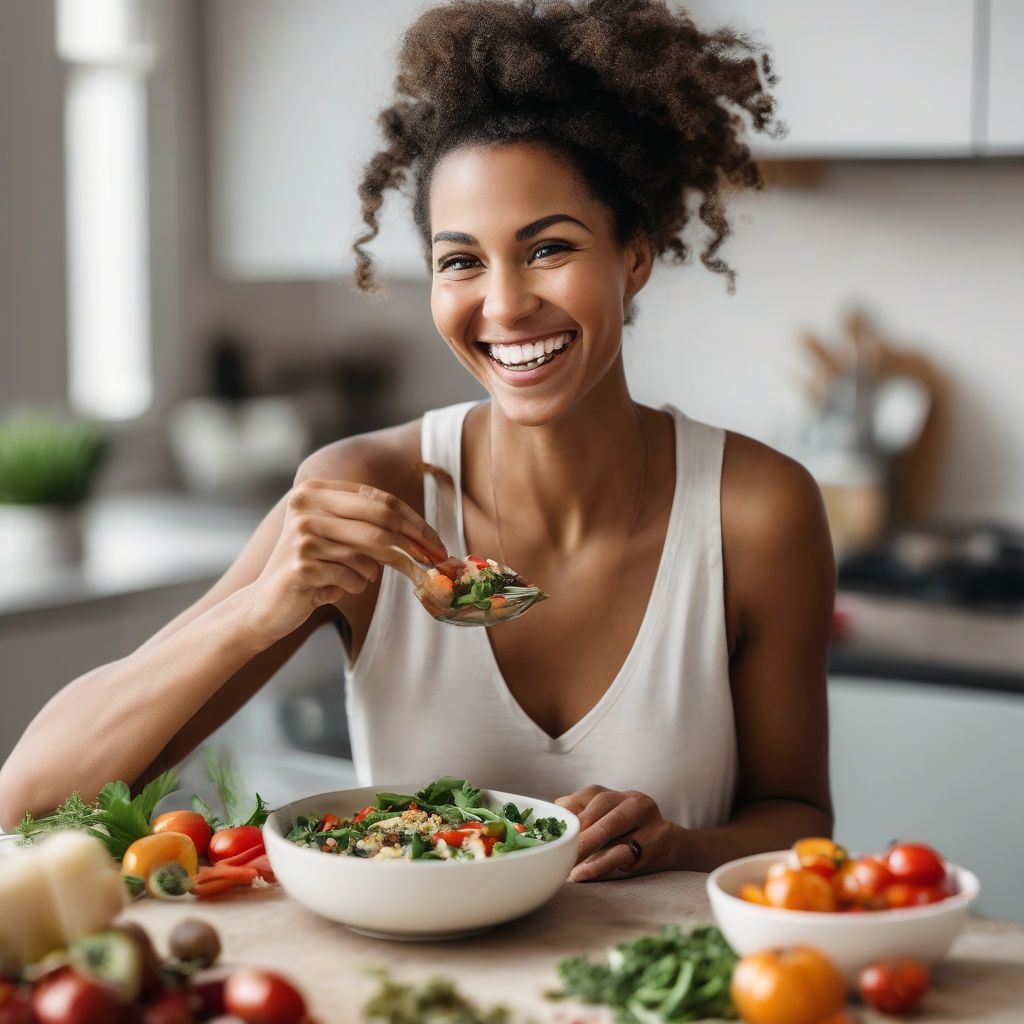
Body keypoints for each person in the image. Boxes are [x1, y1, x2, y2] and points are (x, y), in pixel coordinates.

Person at [0, 0, 835, 882]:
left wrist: (682, 846)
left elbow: (798, 817)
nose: (505, 305)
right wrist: (259, 611)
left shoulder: (755, 511)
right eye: (461, 260)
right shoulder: (366, 488)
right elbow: (28, 805)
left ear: (634, 255)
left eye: (548, 248)